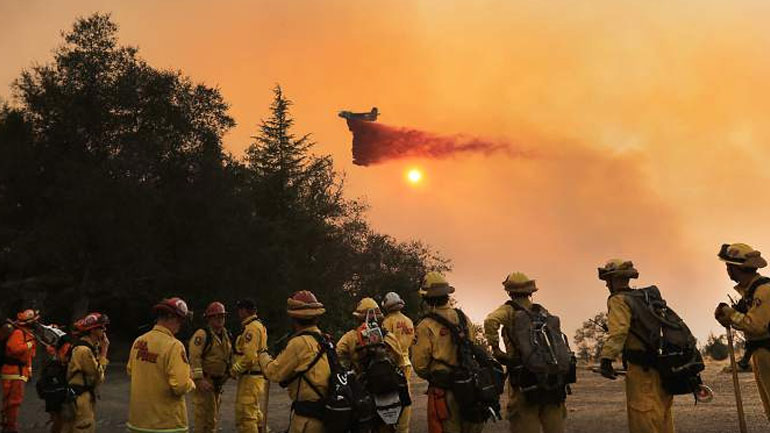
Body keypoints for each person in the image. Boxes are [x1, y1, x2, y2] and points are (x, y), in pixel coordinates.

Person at [483, 272, 567, 433]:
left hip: (523, 376)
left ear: (509, 291)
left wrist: (496, 349)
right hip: (551, 377)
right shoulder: (542, 311)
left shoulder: (508, 310)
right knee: (554, 422)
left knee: (524, 420)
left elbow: (490, 321)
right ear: (530, 291)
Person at [597, 259, 674, 433]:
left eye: (608, 280)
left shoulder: (618, 300)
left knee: (643, 417)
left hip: (640, 371)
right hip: (661, 368)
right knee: (662, 416)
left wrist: (606, 359)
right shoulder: (644, 298)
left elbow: (619, 332)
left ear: (614, 279)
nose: (607, 285)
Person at [412, 272, 484, 433]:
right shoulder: (463, 318)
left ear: (426, 299)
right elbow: (471, 344)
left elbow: (420, 365)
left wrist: (435, 375)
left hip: (444, 392)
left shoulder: (425, 325)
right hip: (470, 388)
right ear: (447, 295)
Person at [258, 291, 330, 433]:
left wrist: (263, 355)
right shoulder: (324, 339)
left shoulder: (299, 343)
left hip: (306, 420)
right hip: (324, 417)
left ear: (294, 318)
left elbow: (274, 373)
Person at [714, 243, 770, 421]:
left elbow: (755, 325)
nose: (727, 270)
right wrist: (726, 316)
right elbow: (743, 319)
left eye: (729, 266)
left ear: (738, 268)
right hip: (760, 353)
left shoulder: (763, 291)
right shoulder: (750, 291)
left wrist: (731, 314)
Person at [337, 297, 407, 433]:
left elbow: (338, 356)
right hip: (388, 391)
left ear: (357, 318)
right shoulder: (389, 336)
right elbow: (400, 360)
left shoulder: (350, 337)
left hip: (363, 392)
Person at [127, 297, 196, 433]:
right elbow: (180, 386)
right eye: (180, 320)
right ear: (171, 317)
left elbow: (130, 371)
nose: (180, 324)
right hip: (167, 424)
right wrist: (191, 381)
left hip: (137, 423)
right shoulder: (174, 346)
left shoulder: (139, 341)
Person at [62, 313, 110, 433]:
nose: (105, 330)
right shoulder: (84, 350)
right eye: (101, 327)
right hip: (81, 398)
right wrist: (104, 351)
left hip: (79, 396)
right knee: (84, 427)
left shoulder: (87, 347)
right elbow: (98, 376)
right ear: (92, 330)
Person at [189, 302, 233, 433]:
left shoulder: (226, 335)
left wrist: (229, 373)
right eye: (216, 316)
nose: (220, 319)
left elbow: (229, 356)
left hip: (217, 383)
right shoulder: (202, 335)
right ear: (209, 318)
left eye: (222, 316)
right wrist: (199, 379)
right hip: (205, 381)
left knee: (212, 417)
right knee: (203, 417)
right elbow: (194, 357)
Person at [231, 299, 268, 433]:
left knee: (246, 415)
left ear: (244, 311)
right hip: (254, 377)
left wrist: (234, 370)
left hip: (250, 377)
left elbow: (249, 357)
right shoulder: (258, 325)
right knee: (254, 411)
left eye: (240, 310)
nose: (238, 313)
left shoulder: (251, 328)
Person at [381, 292, 415, 433]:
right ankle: (403, 428)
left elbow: (386, 345)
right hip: (406, 363)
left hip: (393, 364)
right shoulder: (409, 321)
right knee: (406, 395)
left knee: (391, 398)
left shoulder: (387, 322)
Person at [1, 309, 38, 433]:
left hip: (20, 371)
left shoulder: (27, 334)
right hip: (13, 372)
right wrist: (29, 345)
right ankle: (10, 427)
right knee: (13, 401)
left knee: (12, 401)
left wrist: (29, 370)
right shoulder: (18, 333)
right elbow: (14, 349)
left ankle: (7, 424)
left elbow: (29, 356)